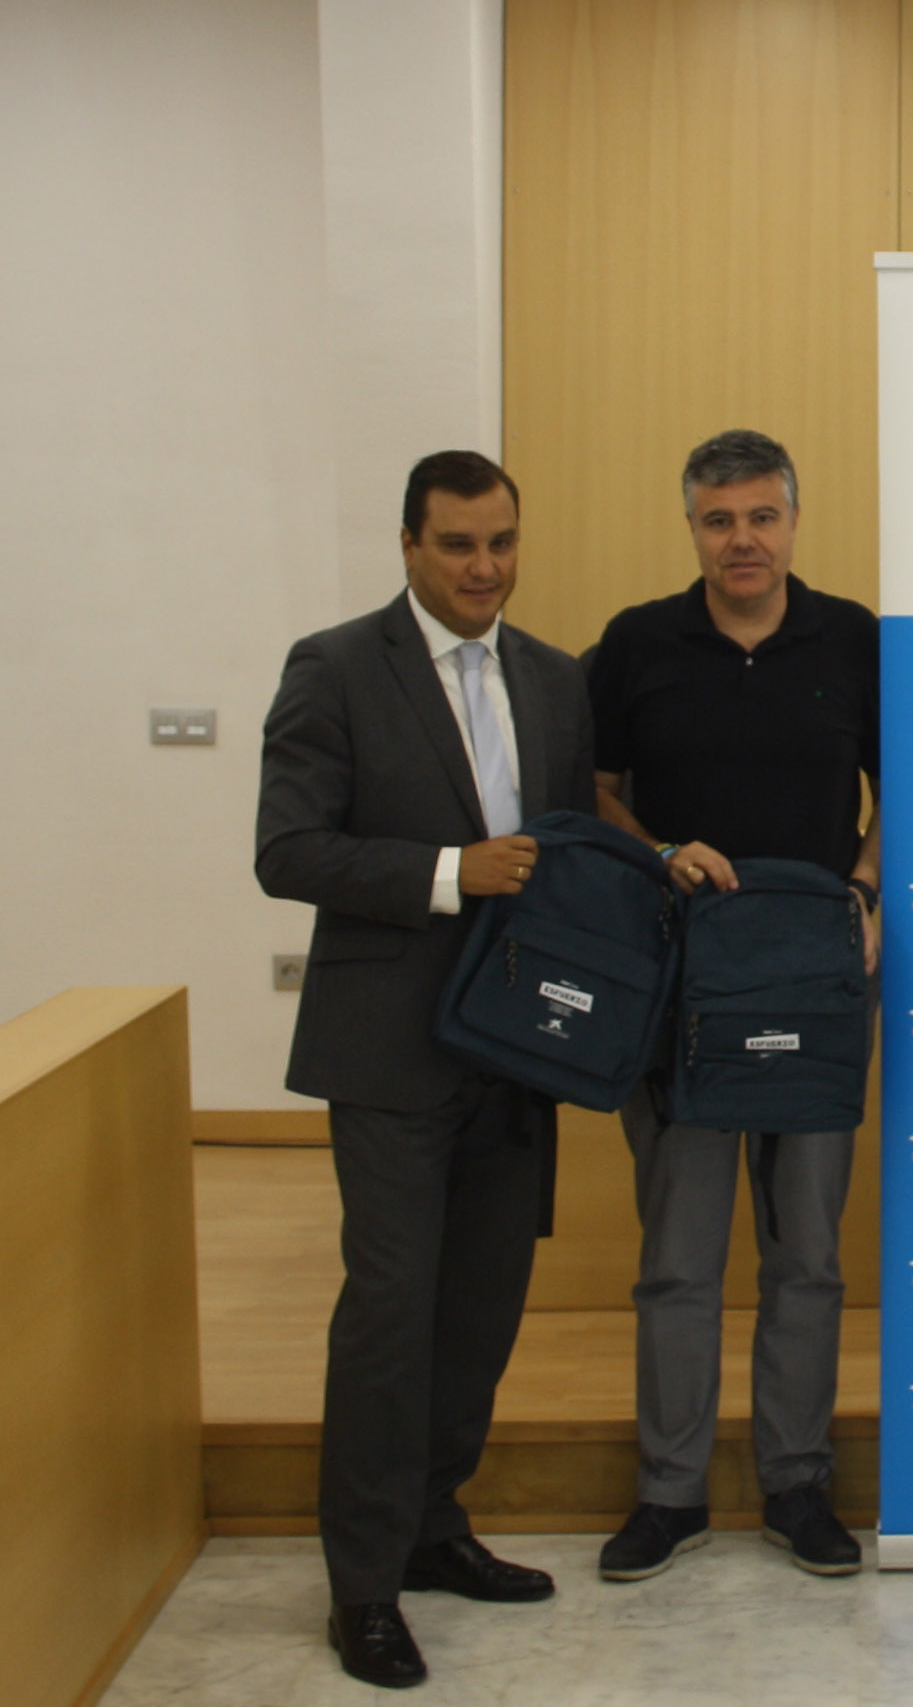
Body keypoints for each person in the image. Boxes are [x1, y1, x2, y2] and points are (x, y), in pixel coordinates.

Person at [257, 450, 594, 1691]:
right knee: (391, 1315)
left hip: (515, 1049)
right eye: (457, 544)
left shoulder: (554, 678)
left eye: (501, 542)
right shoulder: (335, 666)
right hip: (387, 1048)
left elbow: (567, 847)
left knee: (481, 1310)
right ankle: (361, 1587)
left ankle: (433, 1528)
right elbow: (288, 851)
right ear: (409, 544)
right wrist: (453, 872)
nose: (483, 567)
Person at [586, 429, 881, 1584]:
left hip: (816, 988)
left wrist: (866, 890)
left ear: (793, 521)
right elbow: (593, 794)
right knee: (679, 1261)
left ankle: (797, 1483)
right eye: (719, 520)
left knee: (806, 1256)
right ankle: (670, 1493)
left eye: (761, 517)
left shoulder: (853, 639)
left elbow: (910, 787)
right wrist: (658, 852)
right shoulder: (636, 644)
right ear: (693, 528)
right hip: (682, 996)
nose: (742, 540)